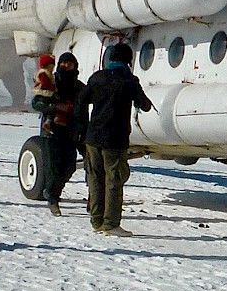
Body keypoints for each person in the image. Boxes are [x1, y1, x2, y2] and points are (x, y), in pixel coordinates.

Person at [74, 42, 152, 236]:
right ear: (127, 60)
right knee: (114, 180)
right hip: (115, 139)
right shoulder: (129, 80)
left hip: (93, 137)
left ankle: (97, 221)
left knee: (95, 178)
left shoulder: (97, 78)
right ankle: (111, 224)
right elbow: (145, 105)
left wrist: (82, 129)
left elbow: (81, 101)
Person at [31, 52, 85, 216]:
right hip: (52, 131)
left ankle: (52, 191)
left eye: (70, 63)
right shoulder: (50, 82)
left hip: (70, 133)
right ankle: (53, 199)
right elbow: (36, 103)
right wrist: (56, 108)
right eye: (63, 63)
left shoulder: (79, 87)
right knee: (53, 168)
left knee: (69, 166)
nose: (66, 66)